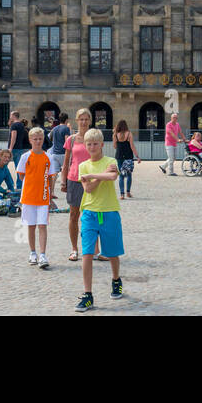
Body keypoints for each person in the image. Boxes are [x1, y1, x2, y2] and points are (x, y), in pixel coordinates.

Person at [75, 127, 124, 312]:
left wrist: (94, 176)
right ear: (85, 146)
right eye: (89, 144)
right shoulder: (83, 166)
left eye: (96, 143)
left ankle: (116, 279)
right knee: (87, 253)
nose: (93, 146)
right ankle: (88, 294)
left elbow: (112, 176)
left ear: (102, 145)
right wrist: (98, 176)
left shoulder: (111, 161)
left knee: (112, 253)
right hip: (88, 212)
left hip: (109, 211)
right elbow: (88, 190)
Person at [59, 108, 94, 262]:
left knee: (93, 216)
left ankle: (93, 249)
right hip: (74, 179)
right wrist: (63, 180)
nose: (84, 122)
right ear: (77, 121)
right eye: (81, 119)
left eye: (86, 119)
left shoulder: (95, 138)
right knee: (74, 215)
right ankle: (74, 249)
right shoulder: (71, 139)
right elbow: (66, 162)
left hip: (91, 181)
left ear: (90, 121)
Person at [18, 127, 53, 268]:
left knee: (42, 225)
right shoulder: (25, 157)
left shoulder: (48, 157)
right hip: (28, 197)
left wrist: (50, 195)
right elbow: (21, 175)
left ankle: (43, 254)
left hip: (43, 197)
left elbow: (50, 177)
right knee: (31, 226)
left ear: (43, 139)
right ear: (30, 140)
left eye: (40, 139)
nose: (38, 141)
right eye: (35, 139)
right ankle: (33, 252)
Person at [114, 119, 138, 199]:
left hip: (119, 156)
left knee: (121, 175)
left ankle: (122, 194)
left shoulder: (115, 134)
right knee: (129, 174)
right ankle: (128, 192)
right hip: (128, 156)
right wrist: (137, 156)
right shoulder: (129, 134)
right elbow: (132, 146)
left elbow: (115, 146)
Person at [7, 111, 29, 187]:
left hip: (14, 148)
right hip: (20, 148)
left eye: (10, 115)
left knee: (3, 166)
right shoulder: (21, 125)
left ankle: (10, 183)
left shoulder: (14, 125)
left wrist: (10, 148)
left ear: (13, 116)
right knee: (19, 167)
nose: (10, 117)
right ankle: (20, 185)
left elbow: (13, 137)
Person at [159, 111, 183, 176]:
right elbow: (171, 133)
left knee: (174, 158)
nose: (175, 119)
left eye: (176, 118)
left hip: (174, 143)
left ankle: (163, 166)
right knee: (171, 158)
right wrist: (178, 139)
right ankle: (170, 172)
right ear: (171, 118)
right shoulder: (168, 125)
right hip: (169, 143)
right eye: (174, 117)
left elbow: (180, 132)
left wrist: (184, 139)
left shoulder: (177, 124)